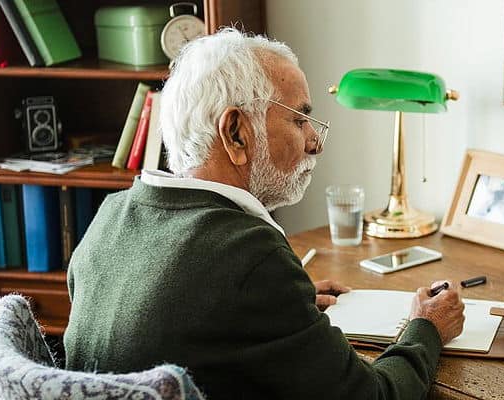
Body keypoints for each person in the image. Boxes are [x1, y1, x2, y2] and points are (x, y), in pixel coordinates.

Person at [64, 28, 465, 399]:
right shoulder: (251, 253)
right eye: (299, 119)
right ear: (236, 132)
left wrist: (286, 304)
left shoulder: (112, 215)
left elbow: (180, 315)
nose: (315, 144)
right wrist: (426, 328)